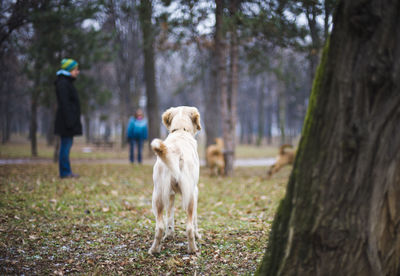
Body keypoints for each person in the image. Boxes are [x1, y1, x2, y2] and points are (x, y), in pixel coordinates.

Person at [54, 58, 82, 178]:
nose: (77, 72)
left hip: (68, 121)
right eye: (75, 69)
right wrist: (70, 121)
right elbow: (65, 104)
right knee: (65, 148)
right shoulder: (63, 84)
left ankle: (67, 171)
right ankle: (65, 172)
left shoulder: (66, 82)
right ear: (69, 70)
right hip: (66, 122)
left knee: (66, 147)